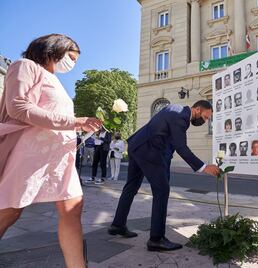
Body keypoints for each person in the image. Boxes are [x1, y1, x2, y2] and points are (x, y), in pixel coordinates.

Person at [0, 34, 101, 268]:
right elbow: (18, 107)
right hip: (31, 154)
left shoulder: (55, 80)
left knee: (72, 209)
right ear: (54, 49)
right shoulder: (24, 66)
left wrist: (80, 127)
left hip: (60, 158)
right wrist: (76, 121)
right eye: (71, 57)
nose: (72, 64)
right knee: (10, 211)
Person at [108, 101, 220, 251]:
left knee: (131, 187)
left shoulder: (174, 108)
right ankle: (156, 239)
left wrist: (165, 164)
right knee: (162, 191)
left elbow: (166, 140)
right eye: (206, 117)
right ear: (198, 109)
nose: (205, 121)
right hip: (149, 151)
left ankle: (117, 225)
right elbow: (181, 147)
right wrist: (204, 167)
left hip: (137, 146)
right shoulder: (181, 116)